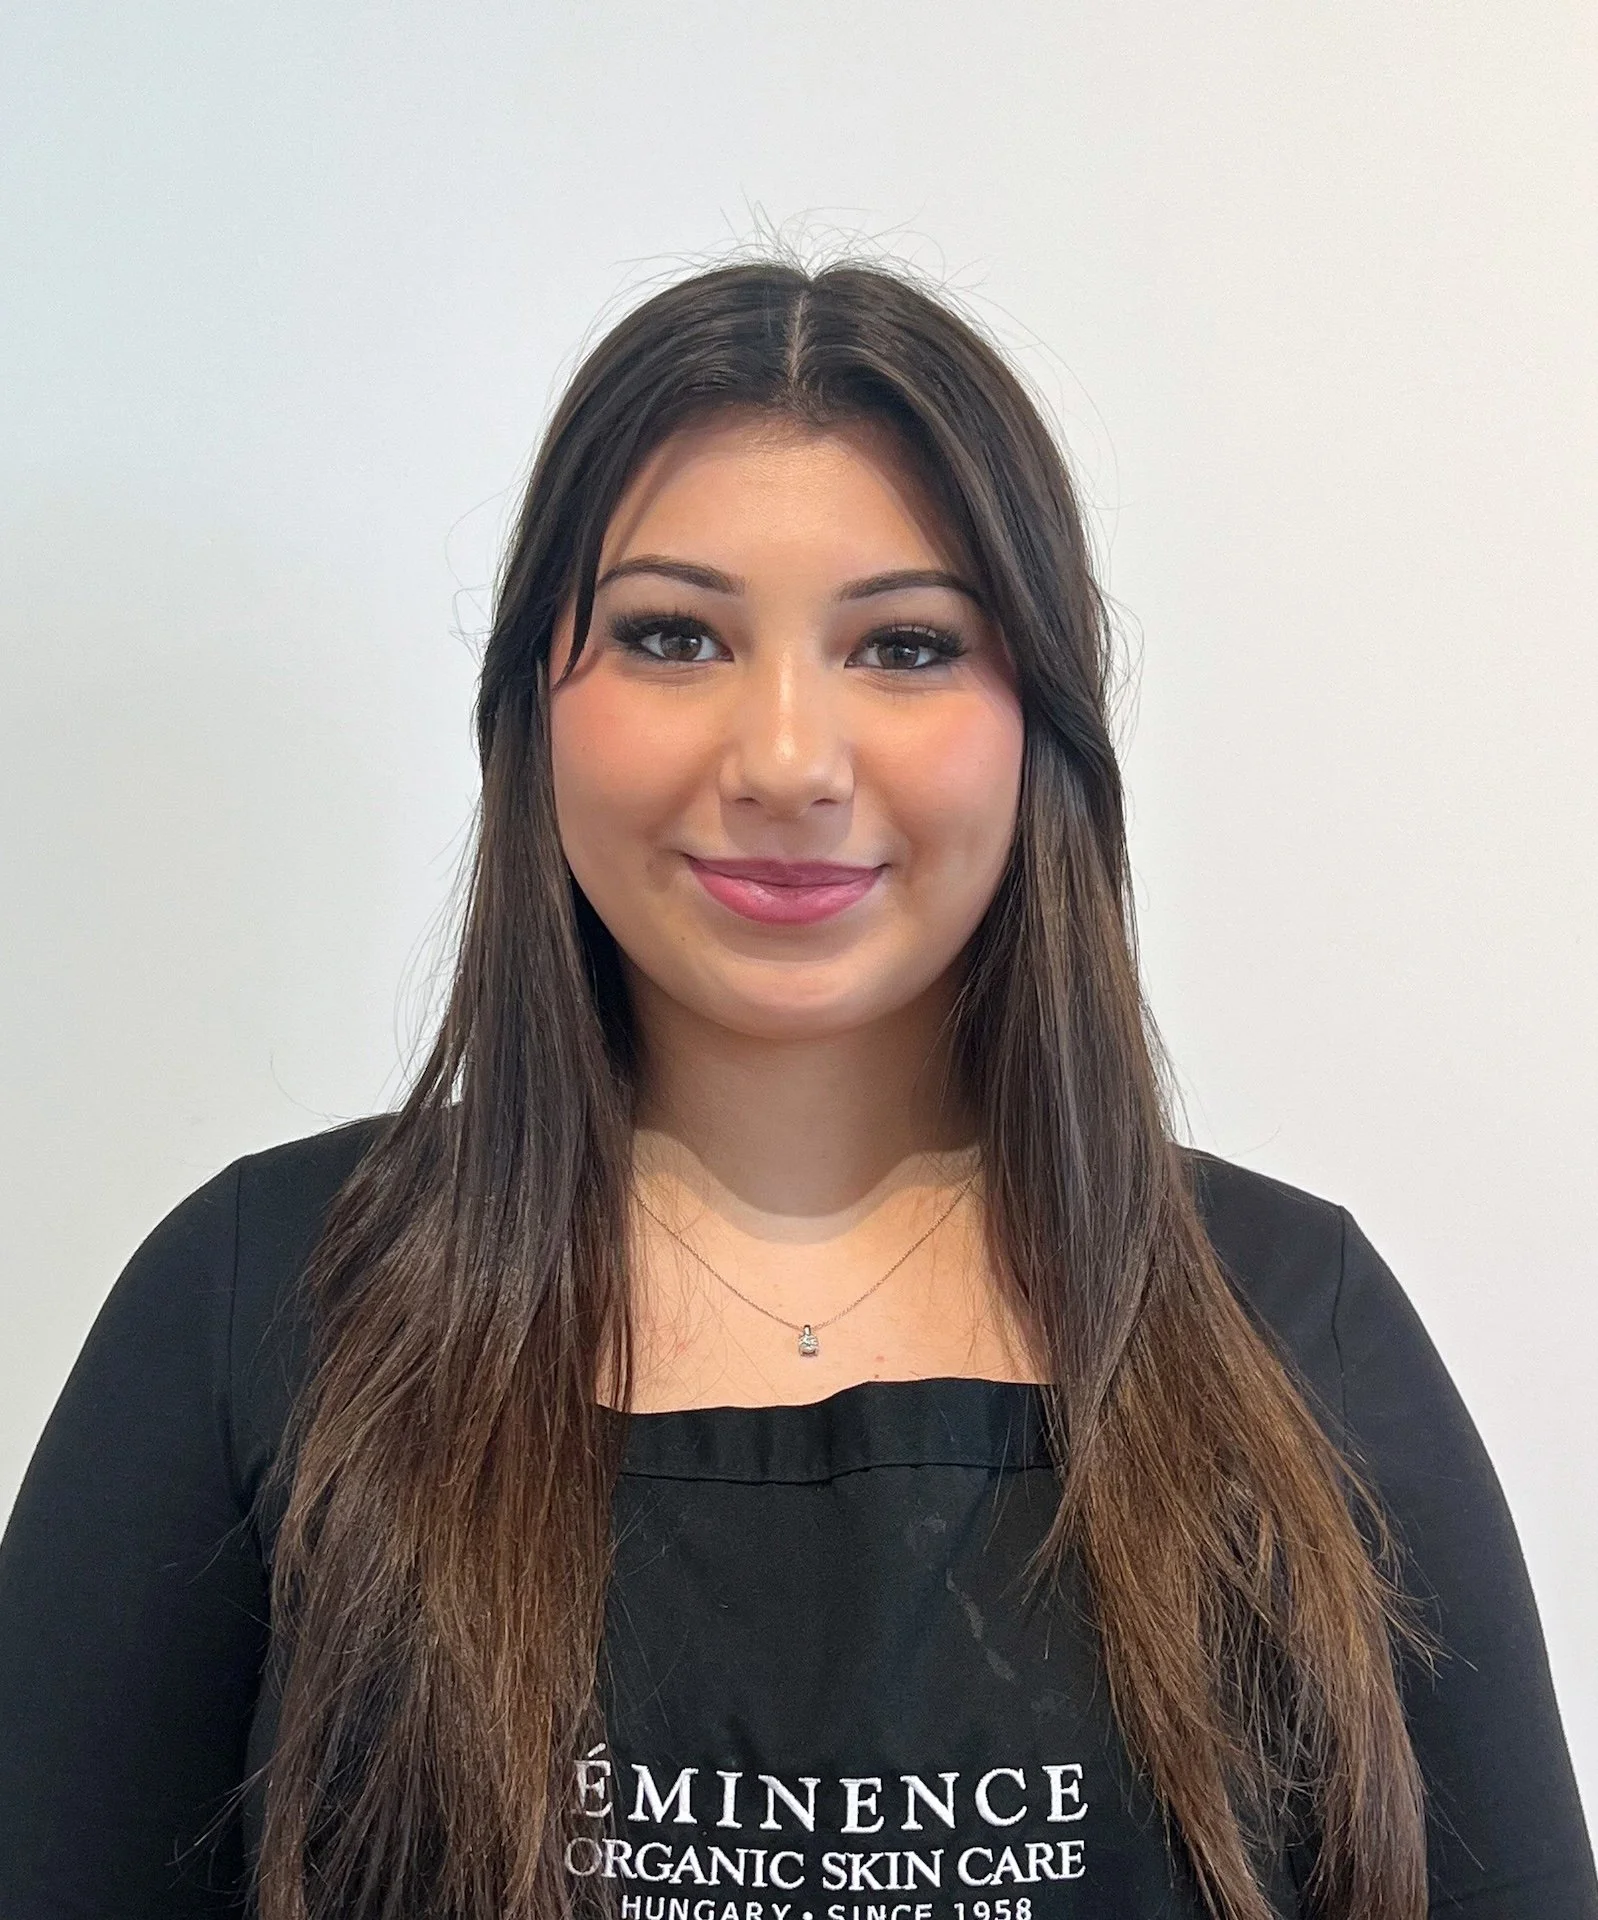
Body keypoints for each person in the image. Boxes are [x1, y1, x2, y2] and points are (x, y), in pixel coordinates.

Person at [0, 258, 1591, 1920]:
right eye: (671, 634)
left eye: (903, 647)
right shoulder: (259, 1305)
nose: (783, 759)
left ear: (1039, 720)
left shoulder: (1289, 1322)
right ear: (532, 709)